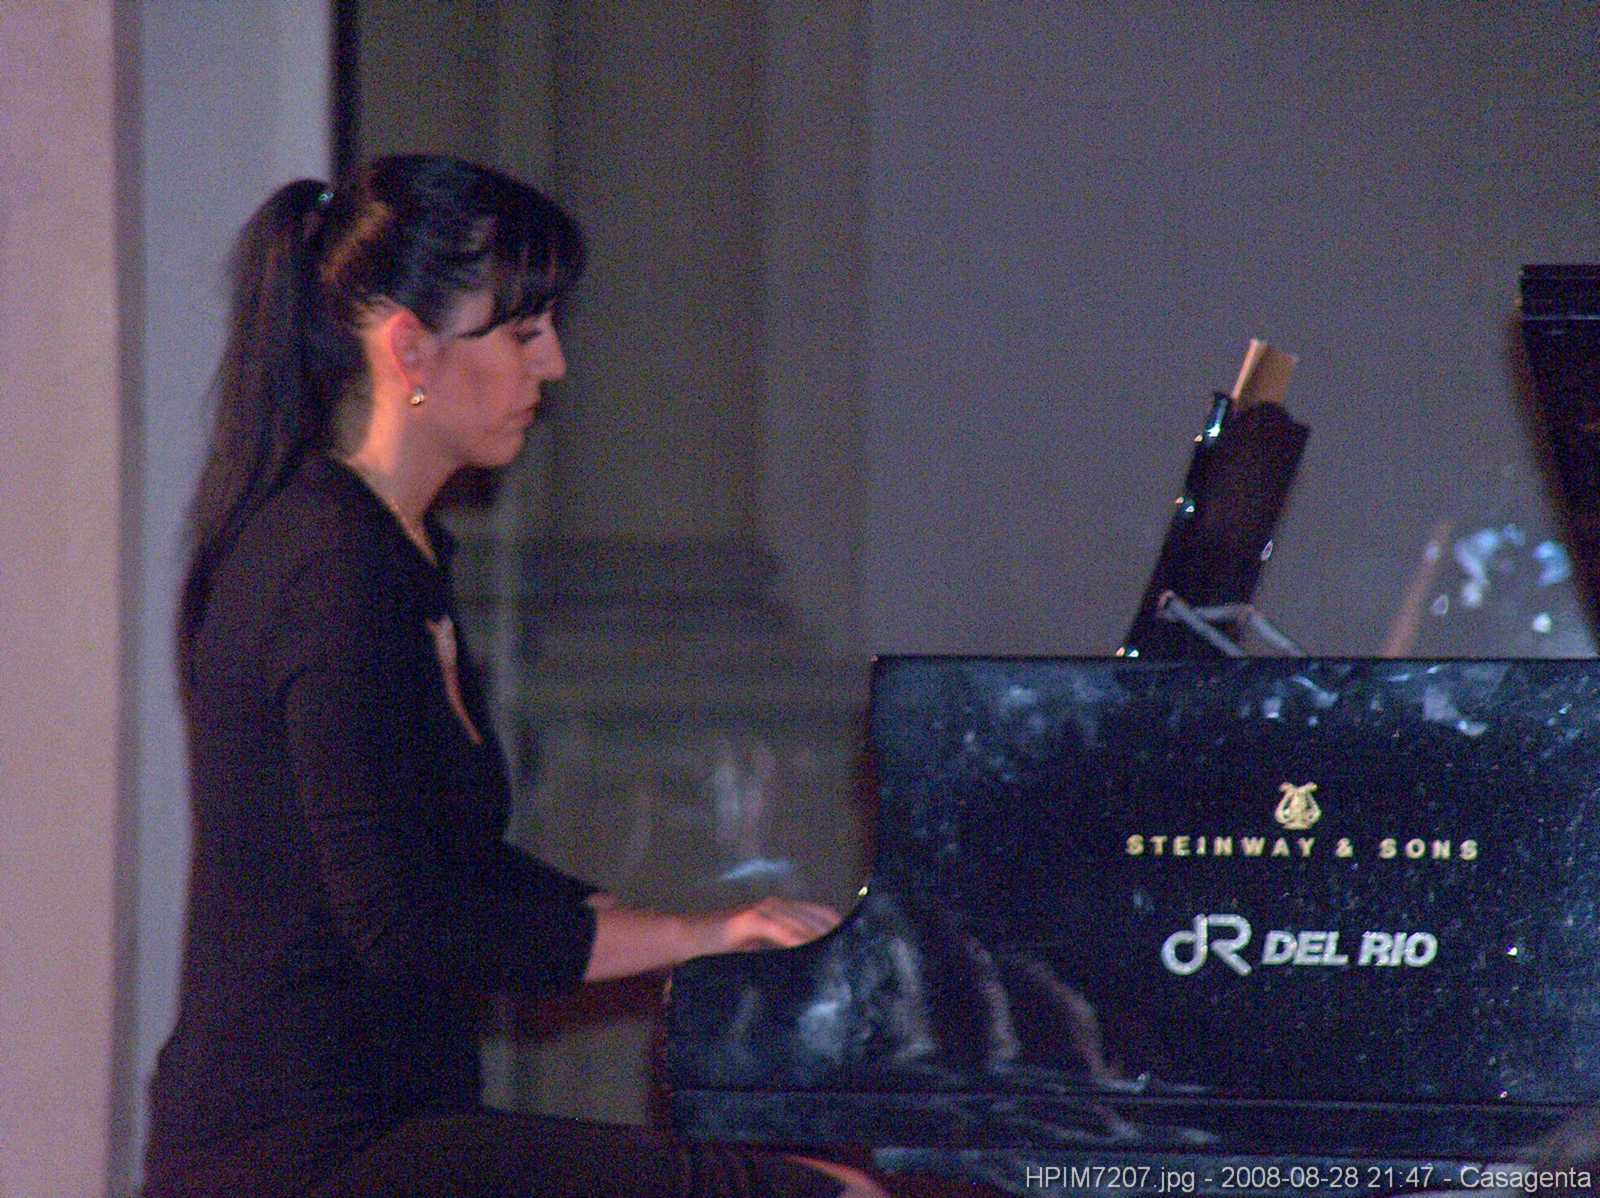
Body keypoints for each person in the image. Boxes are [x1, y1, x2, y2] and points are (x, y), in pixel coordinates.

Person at [143, 155, 885, 1198]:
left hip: (379, 1122)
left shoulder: (395, 551)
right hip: (306, 1148)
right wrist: (689, 936)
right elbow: (403, 923)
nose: (554, 364)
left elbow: (457, 866)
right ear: (411, 347)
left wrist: (704, 930)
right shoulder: (328, 567)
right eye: (522, 330)